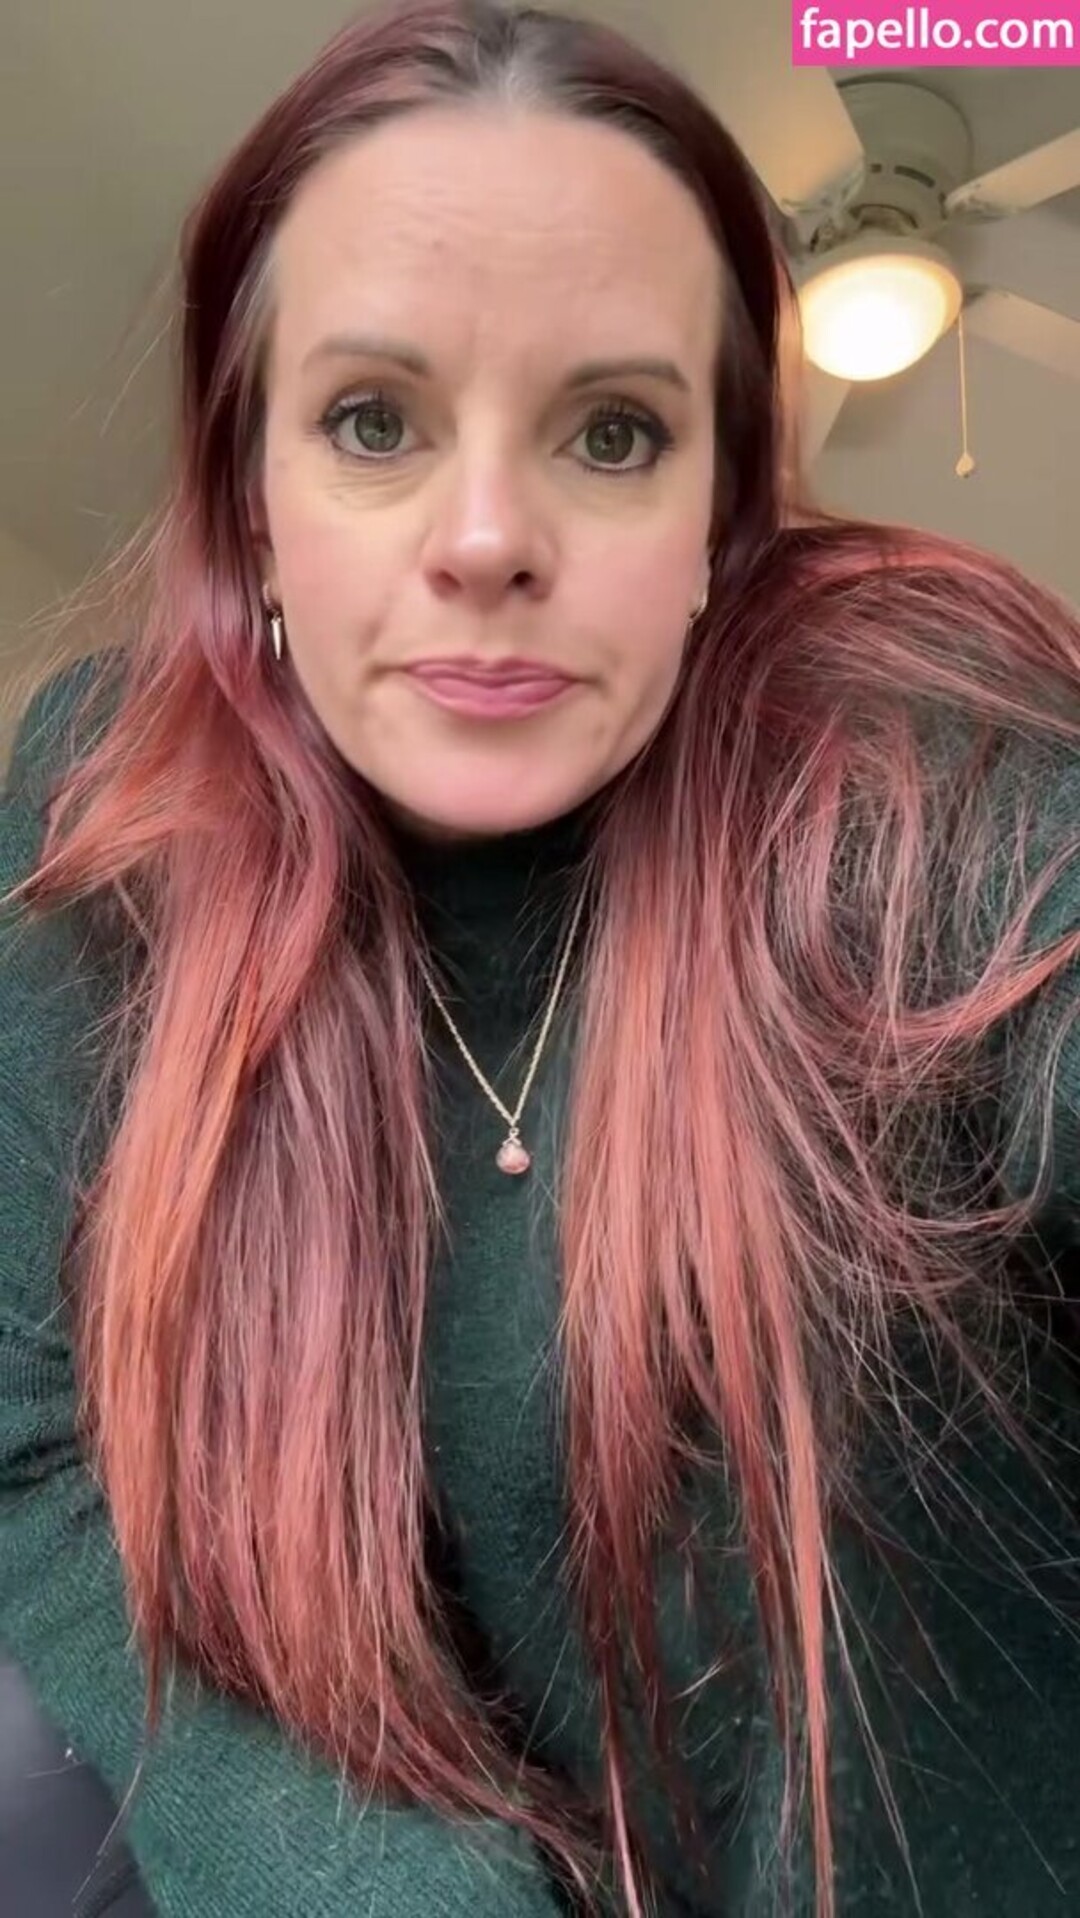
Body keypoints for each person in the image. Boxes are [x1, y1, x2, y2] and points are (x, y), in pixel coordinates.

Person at [2, 1, 1080, 1913]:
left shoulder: (924, 773)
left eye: (613, 431)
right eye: (374, 421)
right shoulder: (103, 821)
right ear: (251, 499)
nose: (489, 537)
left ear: (722, 525)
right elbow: (36, 1442)